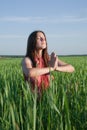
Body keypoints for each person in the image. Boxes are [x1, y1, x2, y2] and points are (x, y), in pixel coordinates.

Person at [22, 30, 75, 95]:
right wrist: (51, 68)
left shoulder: (48, 58)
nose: (43, 40)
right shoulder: (27, 59)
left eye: (44, 38)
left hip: (48, 96)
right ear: (32, 42)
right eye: (39, 38)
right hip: (33, 99)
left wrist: (56, 68)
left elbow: (71, 68)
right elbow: (29, 72)